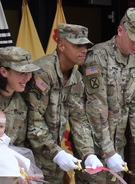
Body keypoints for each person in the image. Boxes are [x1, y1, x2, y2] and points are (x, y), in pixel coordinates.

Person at [79, 8, 135, 183]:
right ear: (120, 31)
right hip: (94, 150)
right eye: (133, 39)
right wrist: (108, 152)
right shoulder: (98, 57)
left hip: (117, 149)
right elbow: (95, 108)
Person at [22, 23, 103, 184]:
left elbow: (79, 119)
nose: (84, 50)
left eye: (85, 46)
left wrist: (88, 153)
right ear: (61, 46)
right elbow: (33, 121)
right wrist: (57, 153)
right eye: (77, 45)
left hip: (53, 162)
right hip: (29, 158)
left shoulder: (76, 78)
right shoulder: (43, 72)